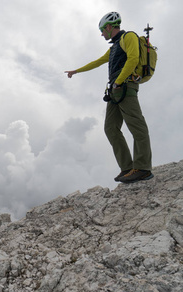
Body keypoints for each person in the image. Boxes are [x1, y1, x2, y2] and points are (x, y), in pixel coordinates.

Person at [65, 12, 153, 184]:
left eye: (102, 30)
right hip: (115, 90)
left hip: (125, 86)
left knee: (137, 126)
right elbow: (98, 62)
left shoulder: (129, 37)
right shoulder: (114, 47)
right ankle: (128, 168)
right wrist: (76, 71)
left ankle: (143, 168)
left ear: (109, 27)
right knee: (111, 128)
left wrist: (118, 82)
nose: (101, 34)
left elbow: (134, 59)